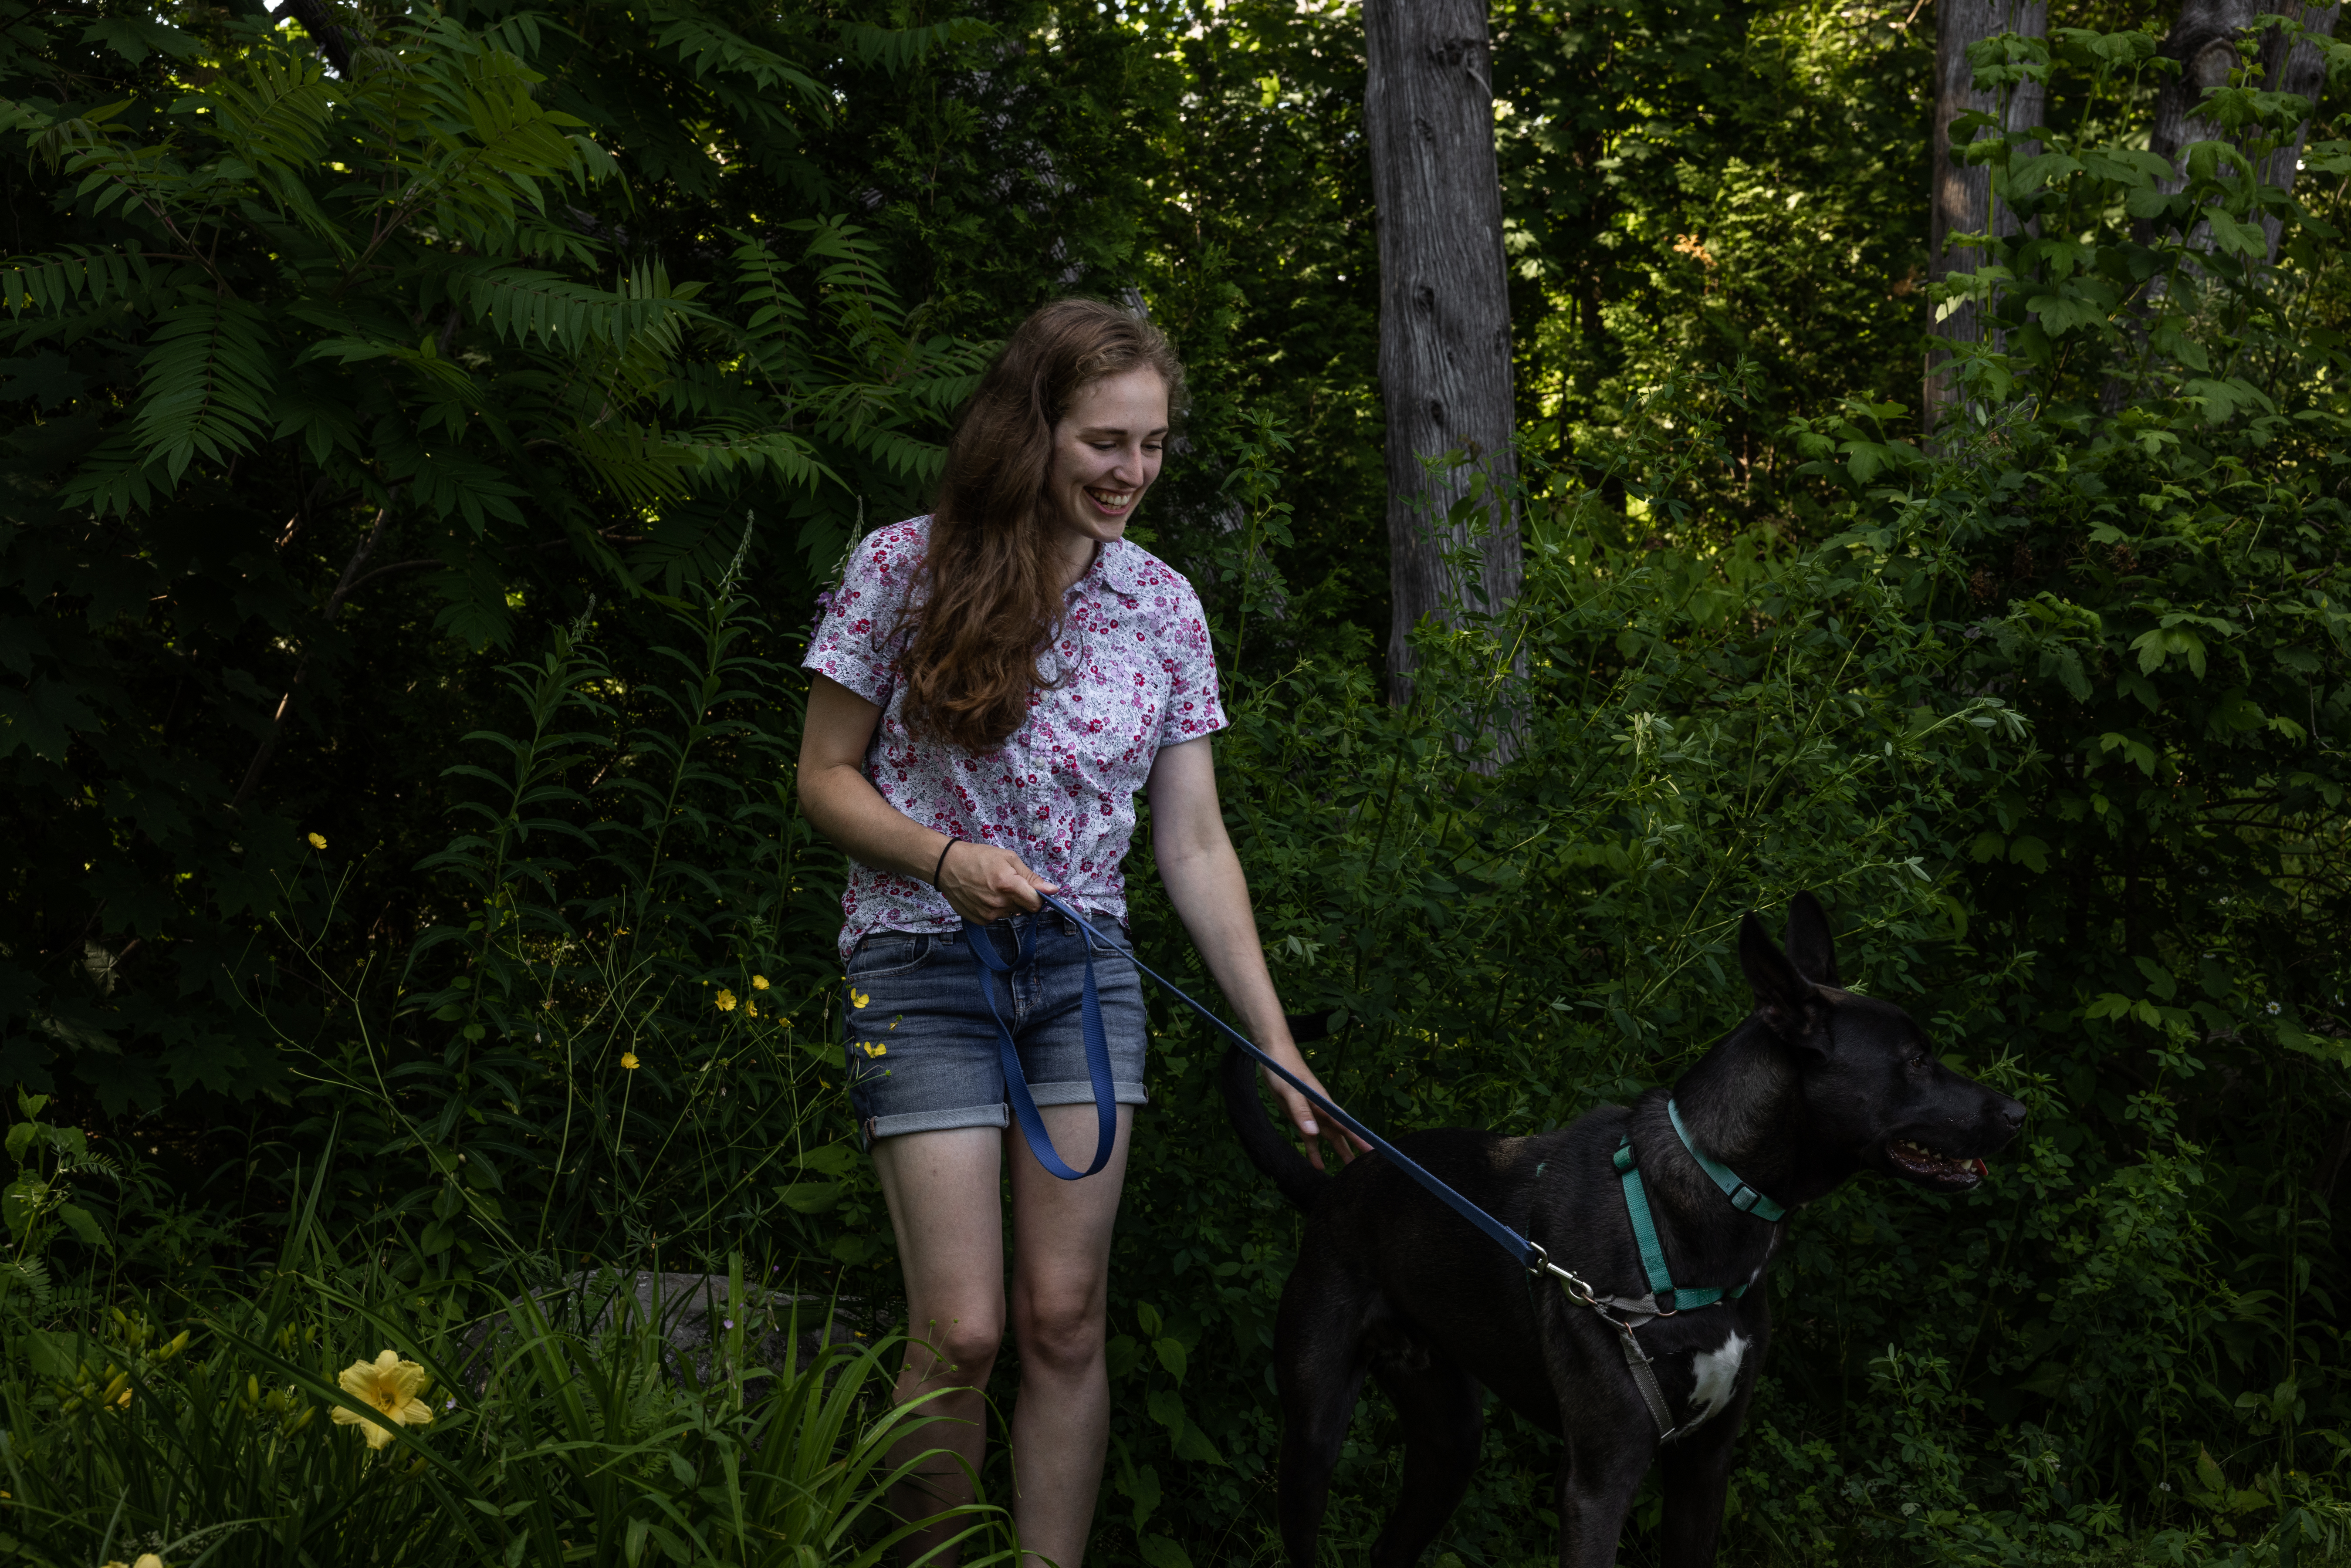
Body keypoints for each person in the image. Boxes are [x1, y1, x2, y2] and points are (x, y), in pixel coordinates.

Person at [796, 297, 1363, 1568]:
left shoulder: (1165, 607)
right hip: (916, 956)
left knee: (1064, 1319)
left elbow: (1196, 844)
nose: (1134, 474)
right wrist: (944, 859)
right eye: (1108, 441)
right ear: (1033, 429)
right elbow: (824, 777)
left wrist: (1276, 1046)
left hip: (1082, 976)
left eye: (1154, 445)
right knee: (964, 1330)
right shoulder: (903, 567)